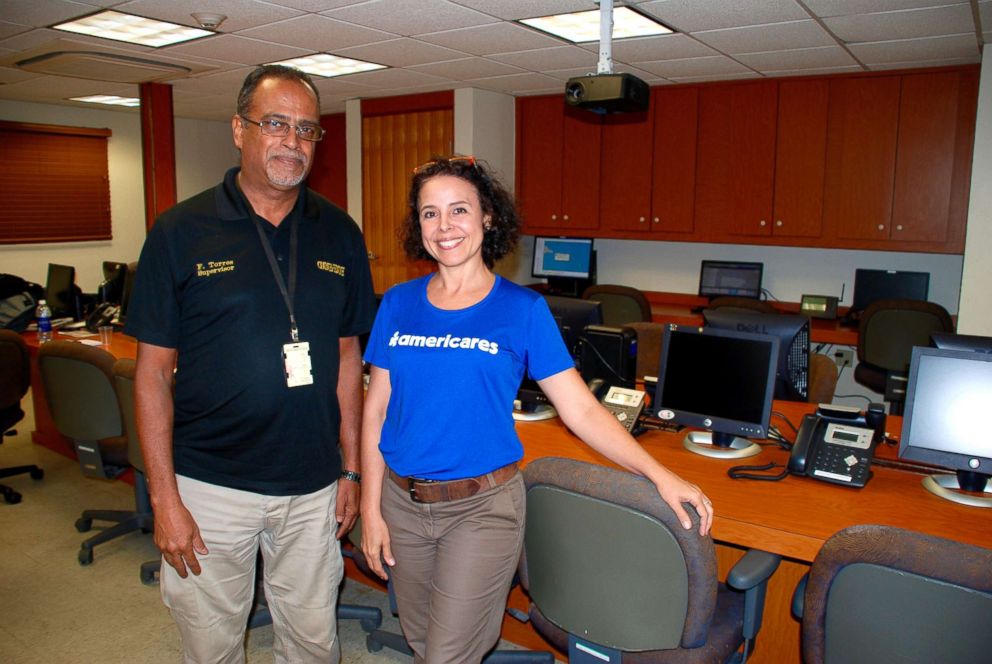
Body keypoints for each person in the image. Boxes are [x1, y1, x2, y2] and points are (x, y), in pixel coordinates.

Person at [359, 155, 714, 663]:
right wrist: (371, 509)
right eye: (429, 213)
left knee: (445, 656)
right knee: (421, 639)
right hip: (400, 503)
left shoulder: (522, 310)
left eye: (459, 210)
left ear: (487, 218)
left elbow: (582, 410)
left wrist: (660, 473)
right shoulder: (397, 302)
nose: (445, 226)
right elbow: (375, 414)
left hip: (480, 509)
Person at [126, 65, 376, 664]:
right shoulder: (180, 232)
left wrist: (351, 469)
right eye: (276, 124)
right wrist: (164, 498)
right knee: (211, 645)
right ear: (240, 130)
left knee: (314, 642)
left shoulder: (339, 233)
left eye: (308, 130)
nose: (293, 142)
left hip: (313, 487)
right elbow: (153, 373)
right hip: (209, 486)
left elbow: (349, 360)